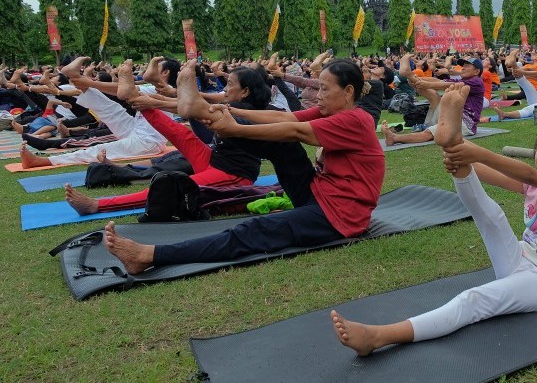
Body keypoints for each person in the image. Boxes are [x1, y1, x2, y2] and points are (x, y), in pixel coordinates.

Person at [330, 83, 537, 356]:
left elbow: (527, 175)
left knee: (472, 301)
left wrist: (477, 154)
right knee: (490, 213)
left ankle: (378, 336)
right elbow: (486, 172)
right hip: (522, 257)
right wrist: (458, 157)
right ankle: (452, 137)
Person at [102, 59, 385, 274]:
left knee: (252, 230)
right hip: (317, 192)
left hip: (339, 216)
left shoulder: (356, 121)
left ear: (348, 92)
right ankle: (196, 109)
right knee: (281, 143)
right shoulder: (332, 110)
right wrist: (228, 112)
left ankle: (147, 256)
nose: (317, 94)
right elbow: (282, 119)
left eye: (324, 89)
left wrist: (235, 129)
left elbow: (296, 131)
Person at [64, 60, 271, 215]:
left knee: (169, 187)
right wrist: (152, 100)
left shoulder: (248, 111)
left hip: (231, 174)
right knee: (182, 133)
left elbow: (197, 108)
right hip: (215, 160)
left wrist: (155, 102)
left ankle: (96, 205)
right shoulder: (229, 102)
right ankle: (134, 97)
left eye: (230, 84)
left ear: (244, 91)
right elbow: (192, 104)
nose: (225, 88)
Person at [19, 56, 180, 168]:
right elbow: (121, 90)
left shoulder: (168, 90)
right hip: (135, 129)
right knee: (111, 108)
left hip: (147, 142)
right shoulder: (155, 88)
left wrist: (89, 82)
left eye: (156, 68)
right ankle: (75, 76)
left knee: (98, 150)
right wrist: (87, 83)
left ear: (165, 73)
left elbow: (122, 90)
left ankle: (43, 161)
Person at [381, 55, 484, 146]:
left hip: (464, 123)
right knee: (434, 96)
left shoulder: (477, 81)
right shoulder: (465, 79)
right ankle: (408, 74)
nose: (463, 68)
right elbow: (439, 80)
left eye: (467, 66)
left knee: (429, 134)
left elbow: (448, 85)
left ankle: (394, 138)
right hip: (451, 115)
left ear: (476, 71)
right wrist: (417, 79)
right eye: (463, 65)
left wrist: (427, 84)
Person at [492, 49, 537, 120]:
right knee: (524, 82)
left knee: (529, 109)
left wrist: (520, 72)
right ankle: (513, 63)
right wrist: (516, 71)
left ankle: (505, 114)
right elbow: (529, 74)